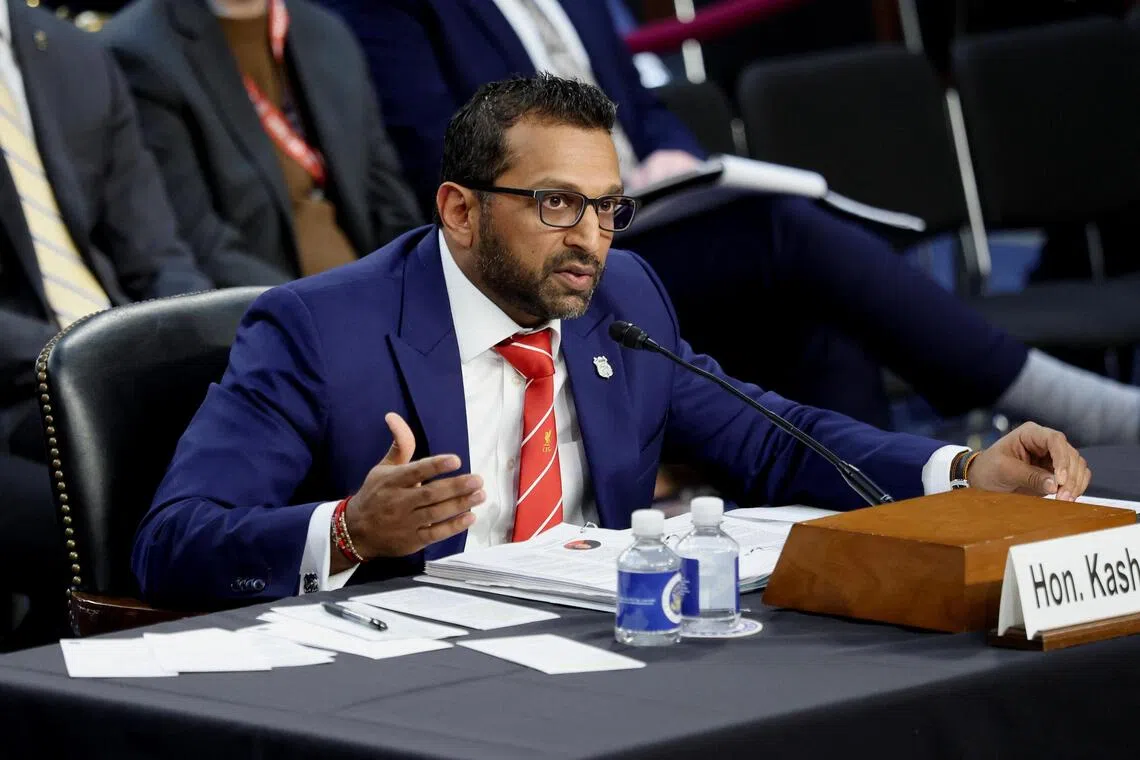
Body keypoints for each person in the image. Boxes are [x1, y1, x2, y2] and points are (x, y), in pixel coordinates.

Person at [134, 75, 1090, 607]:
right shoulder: (317, 329)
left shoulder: (620, 296)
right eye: (556, 204)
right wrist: (348, 529)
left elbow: (772, 433)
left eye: (606, 207)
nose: (590, 237)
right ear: (460, 211)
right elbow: (171, 543)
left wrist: (963, 472)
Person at [314, 0, 1140, 442]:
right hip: (550, 239)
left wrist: (670, 157)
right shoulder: (393, 8)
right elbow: (447, 150)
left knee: (816, 314)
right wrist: (587, 186)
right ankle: (1032, 391)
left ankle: (865, 536)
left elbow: (646, 108)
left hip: (650, 213)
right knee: (784, 233)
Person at [0, 0, 214, 647]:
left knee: (268, 478)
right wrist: (94, 365)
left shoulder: (70, 52)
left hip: (113, 364)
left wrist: (211, 350)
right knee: (139, 531)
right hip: (18, 390)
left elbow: (159, 255)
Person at [102, 0, 423, 287]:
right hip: (270, 307)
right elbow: (198, 238)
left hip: (371, 291)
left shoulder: (326, 30)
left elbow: (387, 195)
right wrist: (313, 313)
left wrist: (415, 285)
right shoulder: (141, 50)